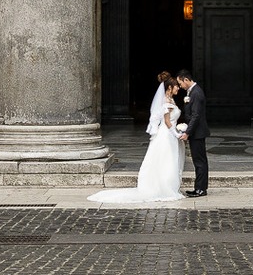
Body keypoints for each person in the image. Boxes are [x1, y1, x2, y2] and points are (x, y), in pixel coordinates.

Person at [87, 72, 185, 203]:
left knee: (167, 160)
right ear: (169, 88)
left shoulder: (171, 100)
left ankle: (168, 185)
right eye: (176, 86)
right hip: (166, 135)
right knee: (166, 160)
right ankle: (164, 187)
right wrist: (177, 133)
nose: (178, 88)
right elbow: (167, 123)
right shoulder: (166, 102)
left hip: (168, 135)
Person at [175, 69, 208, 197]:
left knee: (200, 162)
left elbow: (196, 116)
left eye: (180, 83)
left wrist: (187, 132)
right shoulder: (192, 92)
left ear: (186, 80)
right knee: (198, 161)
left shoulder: (197, 93)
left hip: (197, 133)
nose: (180, 86)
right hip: (195, 132)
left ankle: (201, 189)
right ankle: (199, 187)